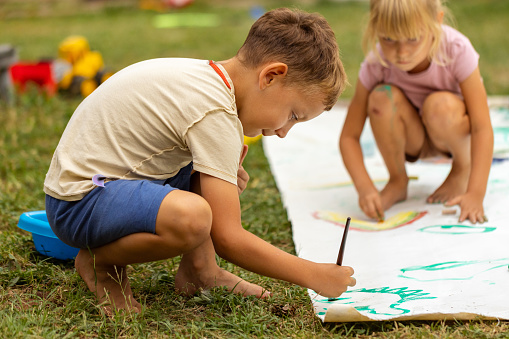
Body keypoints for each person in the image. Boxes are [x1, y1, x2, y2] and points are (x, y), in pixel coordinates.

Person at [44, 8, 355, 314]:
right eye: (292, 115)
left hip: (105, 183)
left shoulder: (210, 80)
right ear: (271, 76)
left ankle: (200, 271)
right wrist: (313, 274)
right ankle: (101, 263)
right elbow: (229, 238)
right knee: (192, 218)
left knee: (222, 183)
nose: (285, 132)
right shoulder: (215, 112)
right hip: (81, 199)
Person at [340, 0, 493, 224]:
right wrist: (365, 188)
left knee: (440, 106)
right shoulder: (377, 62)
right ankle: (397, 180)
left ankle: (462, 169)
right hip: (414, 141)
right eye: (389, 39)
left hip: (452, 135)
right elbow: (348, 137)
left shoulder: (456, 49)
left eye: (413, 38)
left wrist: (476, 193)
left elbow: (482, 126)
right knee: (381, 98)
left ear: (437, 22)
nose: (402, 52)